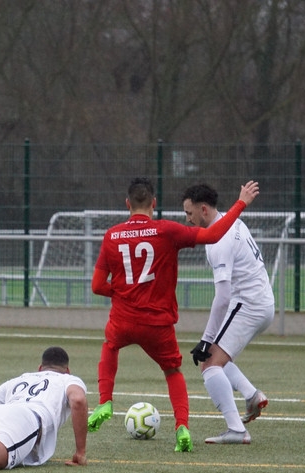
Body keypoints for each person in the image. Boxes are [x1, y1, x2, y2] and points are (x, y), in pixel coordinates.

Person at [87, 177, 260, 452]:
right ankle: (182, 428)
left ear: (127, 204)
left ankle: (105, 401)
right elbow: (213, 235)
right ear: (154, 204)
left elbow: (97, 286)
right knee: (172, 372)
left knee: (110, 347)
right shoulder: (165, 230)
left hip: (123, 319)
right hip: (158, 323)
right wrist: (240, 204)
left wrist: (123, 292)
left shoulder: (112, 235)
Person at [182, 183, 275, 444]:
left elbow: (222, 297)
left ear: (203, 209)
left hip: (248, 304)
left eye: (189, 213)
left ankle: (237, 430)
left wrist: (205, 338)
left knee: (209, 363)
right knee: (218, 357)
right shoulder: (229, 221)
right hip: (261, 302)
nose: (188, 220)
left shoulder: (218, 240)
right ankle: (251, 395)